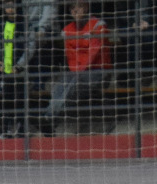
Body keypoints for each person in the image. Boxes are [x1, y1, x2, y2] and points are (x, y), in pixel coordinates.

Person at [45, 0, 110, 134]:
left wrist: (79, 70)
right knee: (59, 85)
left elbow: (93, 53)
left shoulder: (98, 25)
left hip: (98, 71)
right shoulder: (67, 30)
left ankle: (51, 117)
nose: (75, 10)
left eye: (79, 7)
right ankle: (48, 118)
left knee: (72, 84)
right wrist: (77, 70)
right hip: (76, 71)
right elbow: (71, 56)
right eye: (72, 8)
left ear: (86, 8)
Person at [0, 1, 32, 137]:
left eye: (12, 6)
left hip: (20, 71)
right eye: (7, 7)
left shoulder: (25, 24)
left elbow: (30, 47)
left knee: (20, 99)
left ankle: (21, 128)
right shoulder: (2, 23)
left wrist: (20, 66)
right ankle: (7, 128)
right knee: (7, 100)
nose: (10, 9)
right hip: (6, 70)